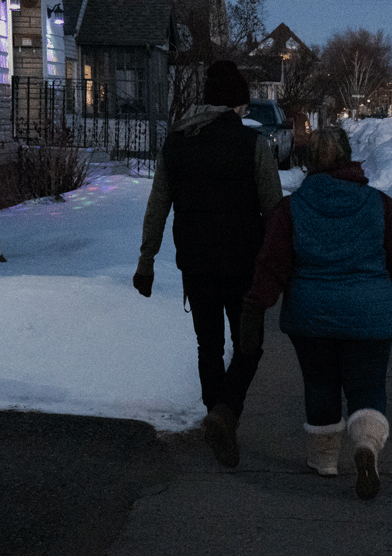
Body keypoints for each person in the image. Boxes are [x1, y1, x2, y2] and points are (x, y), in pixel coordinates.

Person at [242, 127, 392, 500]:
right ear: (348, 157)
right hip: (369, 313)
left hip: (311, 316)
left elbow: (273, 263)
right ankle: (366, 446)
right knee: (367, 384)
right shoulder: (380, 204)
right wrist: (383, 285)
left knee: (321, 384)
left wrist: (258, 300)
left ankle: (325, 461)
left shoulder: (291, 209)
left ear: (307, 163)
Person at [133, 60, 283, 468]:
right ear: (235, 104)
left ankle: (217, 420)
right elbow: (274, 210)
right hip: (243, 265)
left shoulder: (176, 143)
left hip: (195, 264)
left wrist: (146, 259)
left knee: (209, 346)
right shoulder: (254, 146)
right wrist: (281, 264)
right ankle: (225, 415)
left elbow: (158, 204)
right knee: (248, 347)